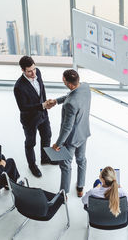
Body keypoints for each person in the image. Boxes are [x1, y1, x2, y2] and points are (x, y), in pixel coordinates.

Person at [14, 56, 57, 178]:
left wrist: (46, 103)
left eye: (34, 69)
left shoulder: (38, 73)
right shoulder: (18, 87)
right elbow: (23, 107)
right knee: (30, 143)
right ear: (23, 70)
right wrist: (42, 105)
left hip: (43, 114)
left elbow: (42, 90)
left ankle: (45, 158)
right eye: (29, 71)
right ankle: (32, 165)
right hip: (30, 120)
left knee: (47, 136)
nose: (33, 73)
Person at [51, 69, 91, 197]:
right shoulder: (85, 86)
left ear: (70, 84)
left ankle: (64, 194)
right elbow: (73, 94)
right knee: (81, 160)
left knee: (65, 165)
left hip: (71, 139)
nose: (63, 82)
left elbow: (67, 128)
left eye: (64, 81)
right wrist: (56, 101)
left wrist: (58, 144)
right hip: (83, 132)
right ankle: (80, 188)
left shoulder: (70, 104)